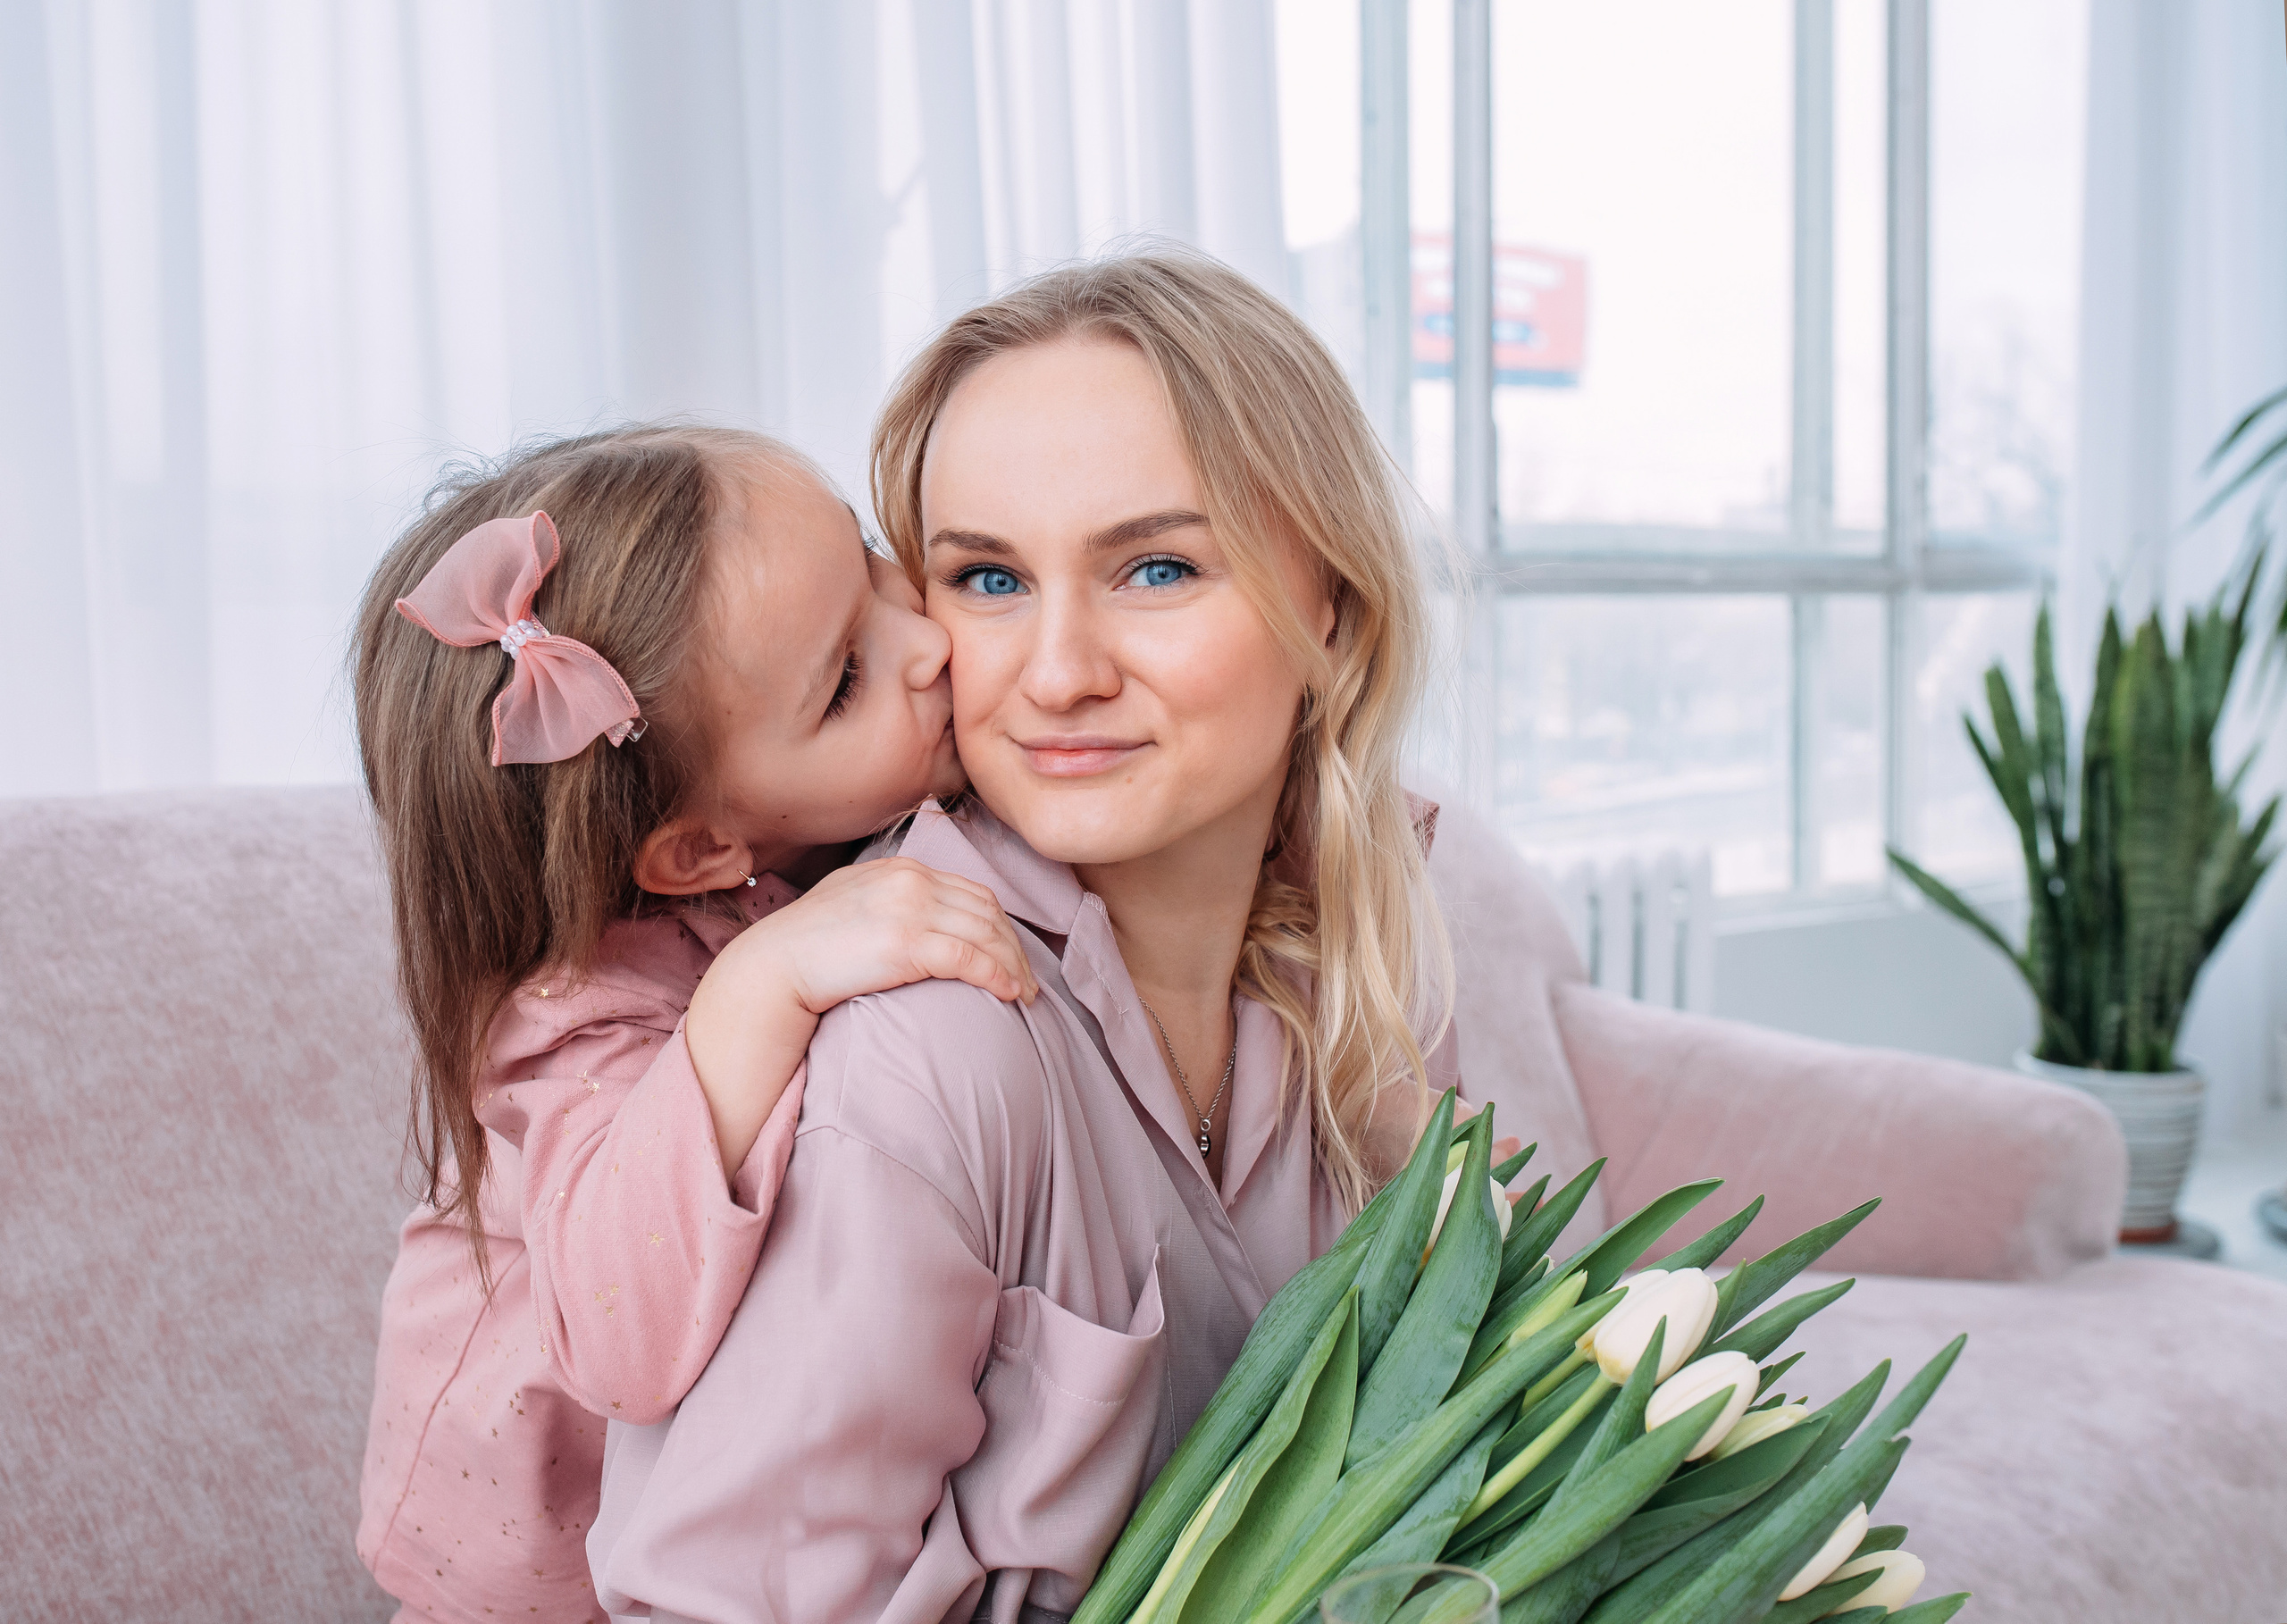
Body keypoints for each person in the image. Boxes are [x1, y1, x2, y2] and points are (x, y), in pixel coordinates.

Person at [590, 253, 1464, 1623]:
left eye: (1157, 567)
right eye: (989, 577)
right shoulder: (924, 1046)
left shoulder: (1359, 976)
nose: (1057, 675)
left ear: (1333, 606)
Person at [351, 424, 1041, 1621]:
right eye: (846, 680)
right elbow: (618, 1344)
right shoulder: (573, 1021)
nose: (930, 640)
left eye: (871, 560)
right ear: (698, 852)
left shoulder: (798, 827)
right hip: (528, 1574)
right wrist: (758, 986)